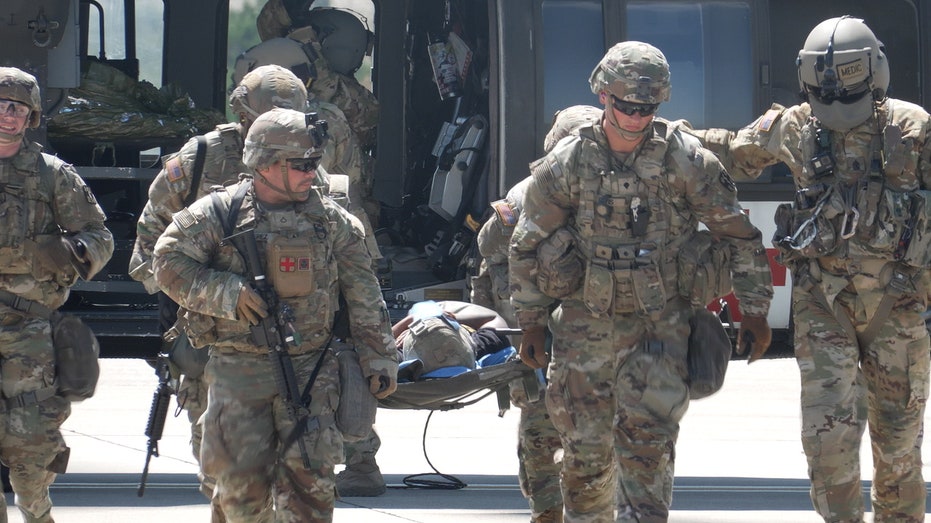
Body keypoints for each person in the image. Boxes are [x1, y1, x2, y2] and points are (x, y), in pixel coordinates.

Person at [508, 42, 774, 522]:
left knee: (648, 451)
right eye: (626, 106)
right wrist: (531, 322)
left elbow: (739, 236)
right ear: (603, 96)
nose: (635, 117)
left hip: (661, 327)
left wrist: (755, 310)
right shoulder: (568, 162)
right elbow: (527, 243)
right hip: (584, 329)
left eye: (646, 108)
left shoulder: (686, 160)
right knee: (585, 458)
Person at [685, 16, 931, 523]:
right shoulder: (795, 126)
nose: (836, 107)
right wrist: (668, 137)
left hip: (900, 307)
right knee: (826, 444)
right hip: (823, 305)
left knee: (899, 448)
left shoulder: (915, 129)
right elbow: (733, 151)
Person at [152, 107, 397, 522]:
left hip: (311, 370)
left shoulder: (331, 221)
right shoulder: (219, 213)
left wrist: (379, 357)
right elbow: (166, 263)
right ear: (264, 163)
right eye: (300, 165)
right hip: (238, 370)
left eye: (314, 163)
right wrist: (227, 292)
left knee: (311, 493)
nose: (311, 174)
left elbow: (364, 293)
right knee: (238, 497)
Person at [129, 64, 313, 521]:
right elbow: (149, 253)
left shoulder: (305, 162)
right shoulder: (199, 160)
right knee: (224, 478)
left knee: (298, 470)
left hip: (289, 340)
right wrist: (210, 293)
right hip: (210, 343)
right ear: (242, 115)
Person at [470, 104, 601, 523]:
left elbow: (489, 248)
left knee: (541, 432)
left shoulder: (532, 190)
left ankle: (548, 510)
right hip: (585, 336)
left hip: (543, 334)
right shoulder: (619, 188)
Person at [0, 67, 114, 522]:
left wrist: (70, 250)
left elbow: (100, 237)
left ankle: (38, 513)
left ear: (31, 117)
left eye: (17, 108)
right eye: (0, 105)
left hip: (30, 329)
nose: (7, 115)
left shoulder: (52, 175)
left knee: (31, 450)